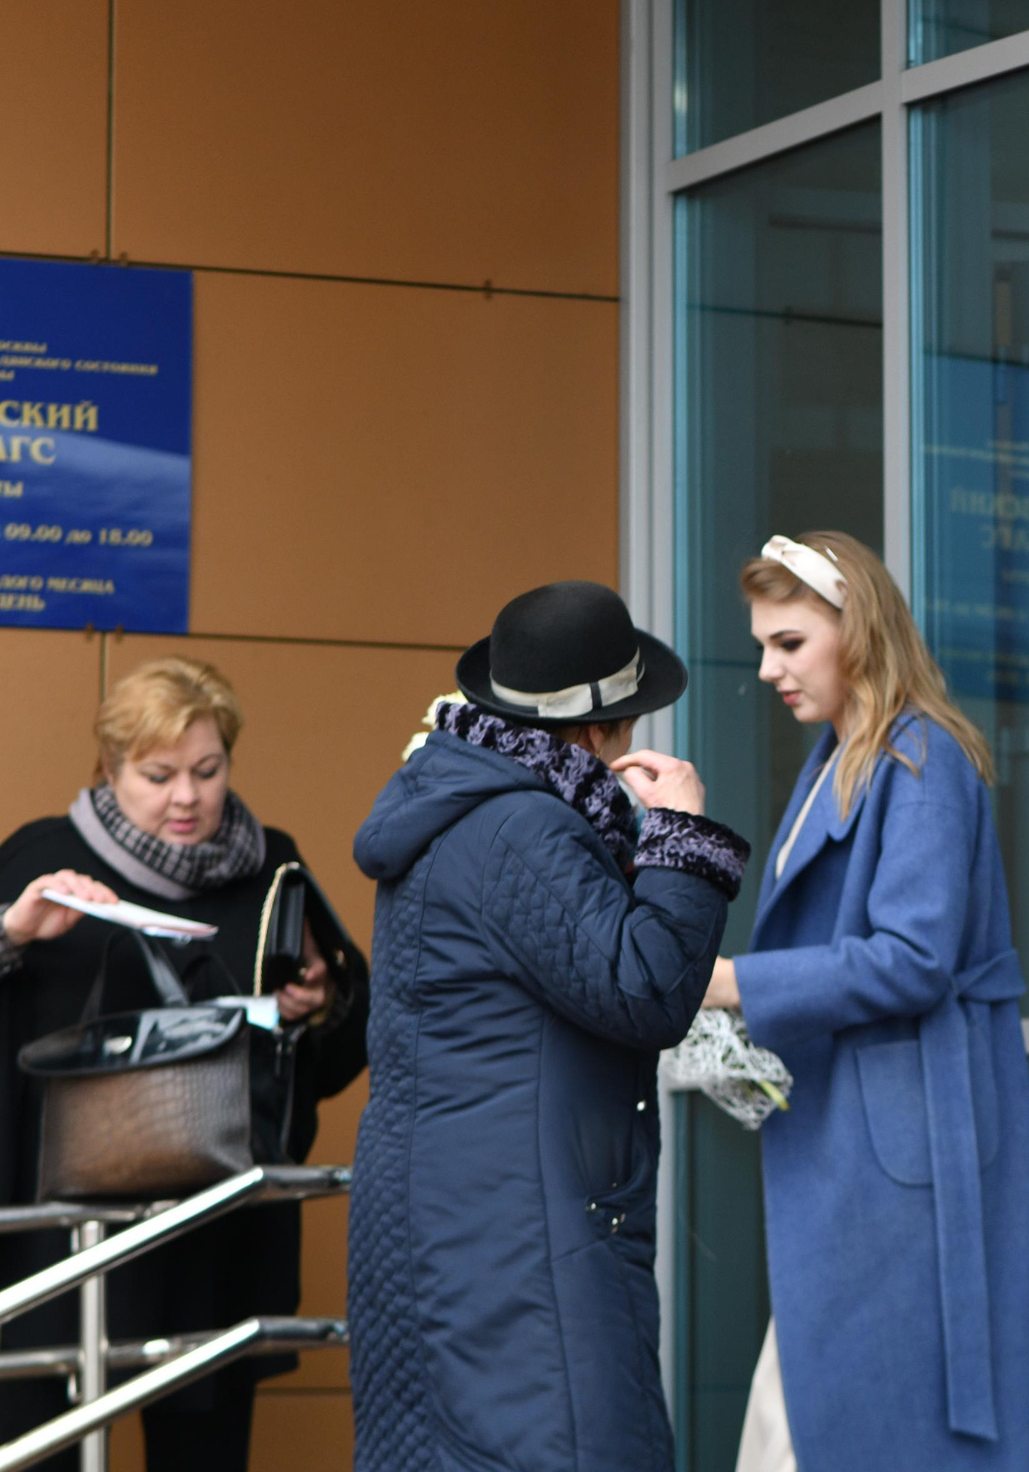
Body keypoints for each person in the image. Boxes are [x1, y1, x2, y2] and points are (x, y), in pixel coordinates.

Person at [0, 657, 369, 1472]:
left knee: (203, 1453)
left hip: (213, 1233)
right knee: (41, 1448)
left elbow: (342, 1029)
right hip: (66, 1241)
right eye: (159, 774)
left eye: (207, 770)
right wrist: (11, 930)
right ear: (109, 769)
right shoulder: (50, 856)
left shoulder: (272, 867)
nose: (187, 797)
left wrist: (319, 1002)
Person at [346, 580, 747, 1472]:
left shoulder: (464, 803)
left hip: (463, 1225)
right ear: (597, 734)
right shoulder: (523, 825)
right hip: (519, 1240)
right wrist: (681, 834)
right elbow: (645, 988)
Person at [709, 531, 1029, 1472]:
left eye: (790, 642)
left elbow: (913, 959)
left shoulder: (919, 756)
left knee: (845, 1426)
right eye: (763, 644)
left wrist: (735, 983)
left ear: (859, 630)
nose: (768, 668)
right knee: (816, 1423)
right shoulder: (851, 754)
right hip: (868, 1141)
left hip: (905, 1150)